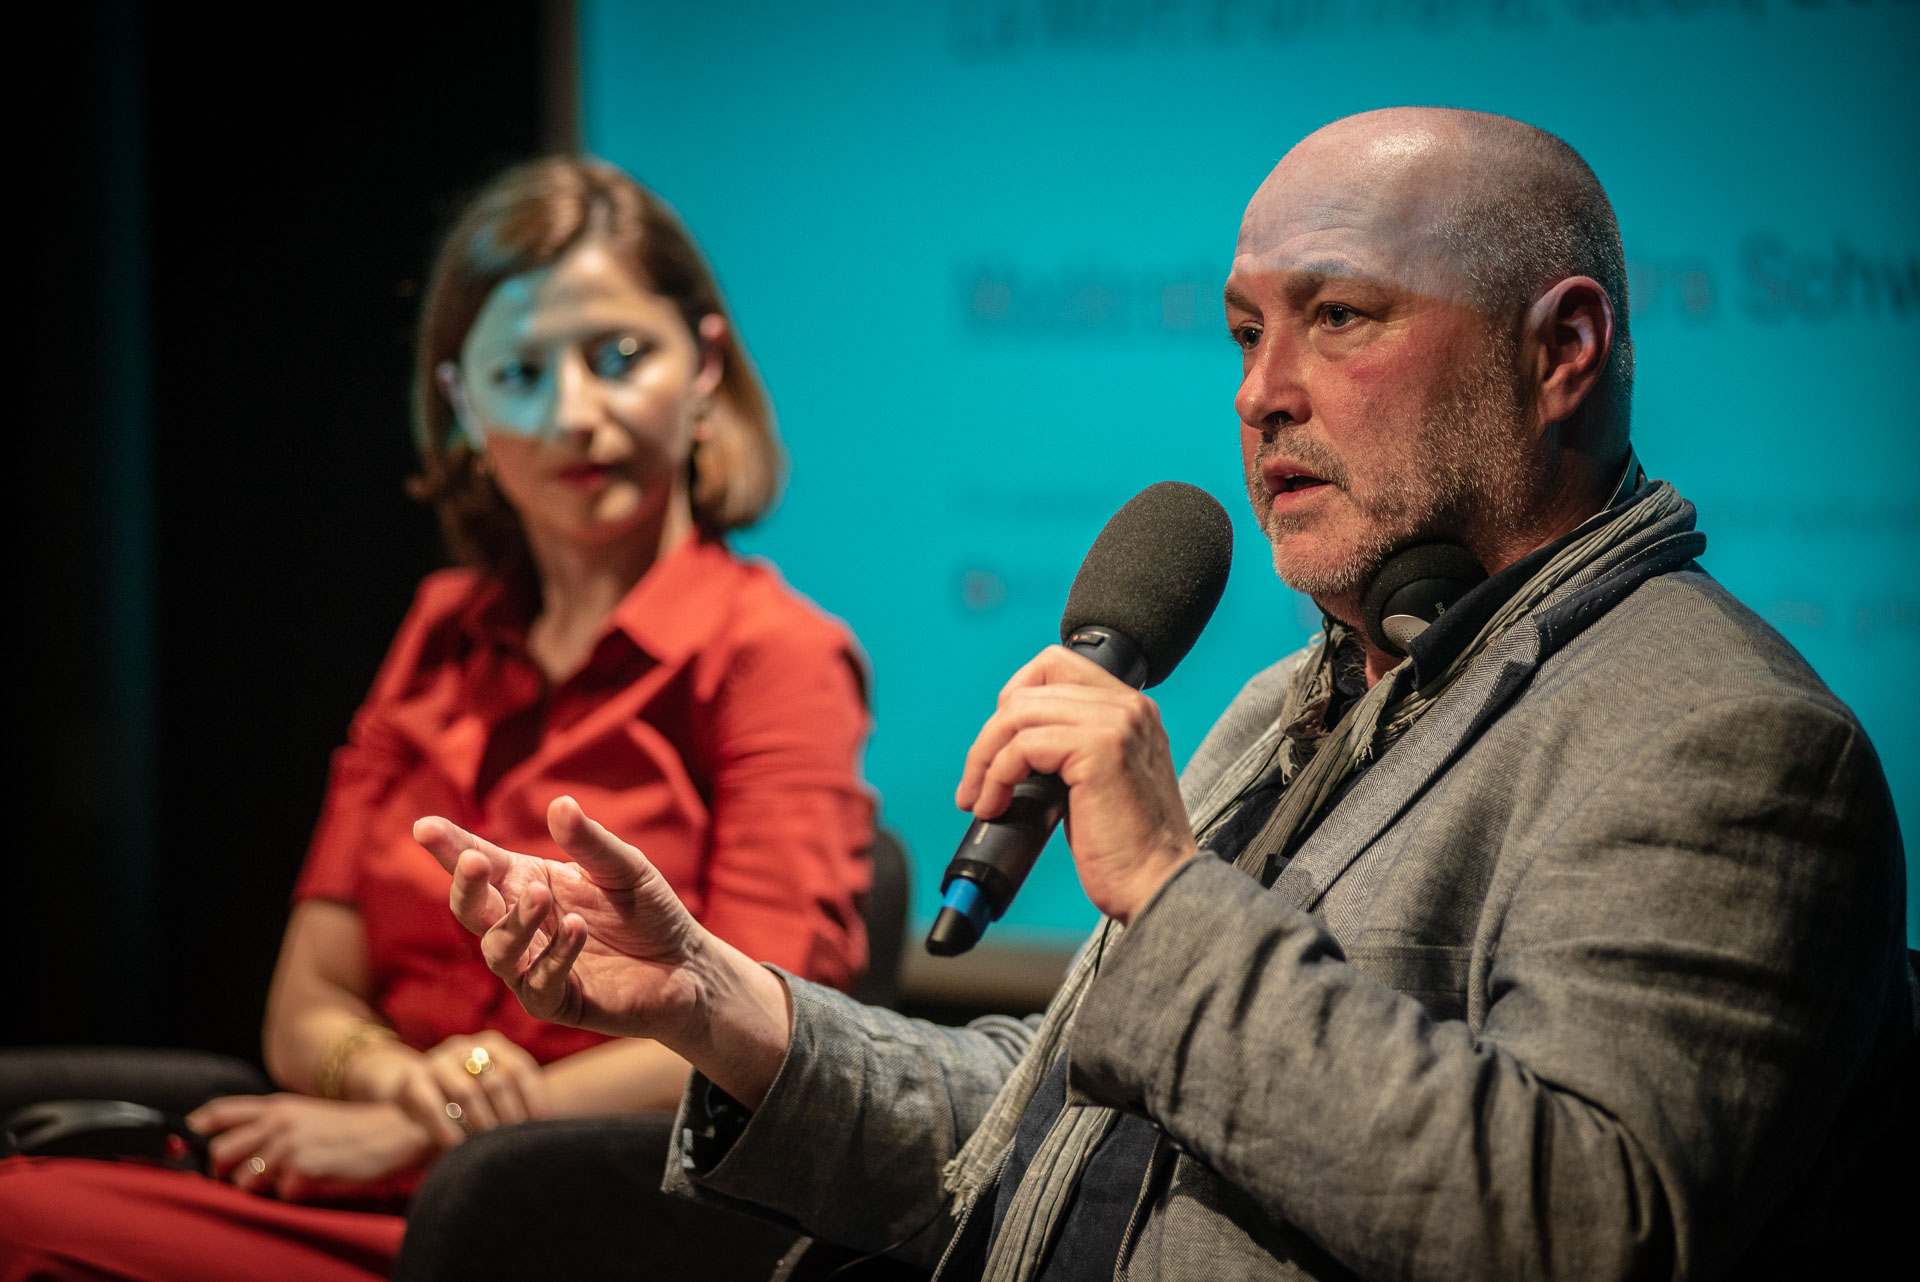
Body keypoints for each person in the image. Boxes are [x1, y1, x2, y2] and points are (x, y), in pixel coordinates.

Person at [420, 109, 1912, 1281]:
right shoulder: (1295, 696)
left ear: (1561, 350)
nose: (1263, 392)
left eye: (1341, 317)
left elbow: (1576, 1226)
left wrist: (1170, 894)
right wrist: (713, 999)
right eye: (1248, 333)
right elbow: (1041, 1123)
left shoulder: (1725, 742)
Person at [0, 158, 874, 1280]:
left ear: (704, 366)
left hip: (576, 1223)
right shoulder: (439, 628)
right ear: (463, 404)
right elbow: (305, 1002)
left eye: (619, 357)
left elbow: (774, 1027)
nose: (575, 414)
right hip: (365, 1182)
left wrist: (443, 1128)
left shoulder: (775, 651)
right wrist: (392, 1082)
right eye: (521, 373)